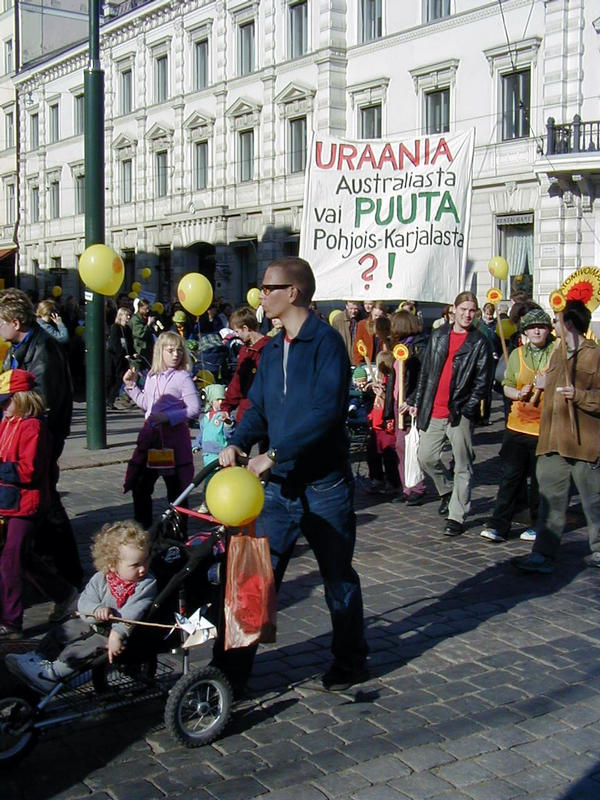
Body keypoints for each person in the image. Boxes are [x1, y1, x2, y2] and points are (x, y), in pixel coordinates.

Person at [217, 256, 368, 693]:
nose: (261, 295)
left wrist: (275, 455)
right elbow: (259, 407)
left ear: (294, 293)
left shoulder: (326, 344)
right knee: (252, 578)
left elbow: (325, 415)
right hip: (280, 492)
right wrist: (240, 441)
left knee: (338, 577)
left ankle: (351, 659)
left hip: (324, 487)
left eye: (268, 288)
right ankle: (229, 674)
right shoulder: (275, 345)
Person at [5, 521, 157, 691]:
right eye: (135, 565)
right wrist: (94, 610)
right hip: (93, 622)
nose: (142, 569)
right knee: (64, 630)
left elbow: (133, 611)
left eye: (145, 561)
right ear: (112, 564)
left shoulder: (146, 584)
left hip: (114, 632)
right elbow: (85, 599)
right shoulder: (102, 578)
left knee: (83, 649)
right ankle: (38, 657)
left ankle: (53, 674)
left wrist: (117, 634)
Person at [0, 289, 82, 595]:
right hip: (25, 435)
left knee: (44, 506)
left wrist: (24, 439)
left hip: (36, 441)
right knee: (39, 509)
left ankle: (66, 576)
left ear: (15, 321)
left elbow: (41, 405)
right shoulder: (20, 347)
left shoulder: (43, 350)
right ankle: (43, 569)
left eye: (1, 322)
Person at [513, 300, 600, 574]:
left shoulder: (594, 355)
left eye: (557, 320)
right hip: (551, 442)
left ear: (569, 324)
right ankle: (543, 554)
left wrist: (581, 396)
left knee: (594, 503)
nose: (553, 325)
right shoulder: (556, 353)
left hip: (584, 444)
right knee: (550, 502)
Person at [403, 291, 493, 536]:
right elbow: (426, 373)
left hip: (459, 413)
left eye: (472, 310)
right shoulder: (439, 335)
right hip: (434, 409)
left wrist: (467, 408)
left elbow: (482, 382)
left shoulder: (479, 342)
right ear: (453, 310)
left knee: (463, 464)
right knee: (426, 457)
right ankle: (447, 491)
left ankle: (457, 515)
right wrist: (416, 400)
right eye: (463, 309)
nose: (467, 314)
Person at [0, 370, 76, 639]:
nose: (2, 406)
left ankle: (11, 622)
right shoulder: (7, 423)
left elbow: (29, 471)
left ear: (22, 399)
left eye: (6, 400)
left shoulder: (34, 427)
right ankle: (65, 594)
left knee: (12, 559)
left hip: (27, 505)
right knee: (23, 558)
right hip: (8, 503)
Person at [480, 309, 554, 543]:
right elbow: (507, 385)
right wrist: (517, 393)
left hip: (544, 428)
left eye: (541, 326)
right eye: (532, 327)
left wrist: (548, 383)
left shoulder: (556, 353)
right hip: (517, 426)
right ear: (525, 332)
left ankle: (537, 524)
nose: (536, 331)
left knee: (539, 481)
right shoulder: (517, 355)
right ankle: (499, 525)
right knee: (510, 478)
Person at [123, 331, 201, 529]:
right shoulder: (151, 376)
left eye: (178, 350)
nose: (175, 354)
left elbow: (194, 409)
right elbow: (148, 405)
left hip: (174, 443)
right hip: (152, 442)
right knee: (140, 486)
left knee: (177, 491)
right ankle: (144, 530)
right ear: (160, 351)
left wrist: (168, 418)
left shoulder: (182, 377)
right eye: (170, 350)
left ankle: (177, 534)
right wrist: (131, 387)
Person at [385, 310, 427, 505]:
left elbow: (420, 378)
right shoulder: (400, 347)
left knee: (410, 445)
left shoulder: (418, 348)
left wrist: (411, 400)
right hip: (397, 402)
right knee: (400, 446)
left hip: (408, 405)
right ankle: (406, 487)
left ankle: (416, 486)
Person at [222, 306, 269, 424]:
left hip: (264, 411)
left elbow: (238, 381)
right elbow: (237, 382)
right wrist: (227, 406)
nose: (237, 335)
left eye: (237, 331)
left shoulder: (269, 347)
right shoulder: (245, 350)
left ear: (245, 328)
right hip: (246, 412)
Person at [192, 384, 233, 466]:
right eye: (217, 399)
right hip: (207, 454)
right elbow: (202, 434)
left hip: (221, 454)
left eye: (222, 399)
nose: (220, 402)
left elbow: (229, 434)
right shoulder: (205, 418)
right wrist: (196, 445)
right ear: (211, 401)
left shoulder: (224, 415)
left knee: (221, 476)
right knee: (209, 476)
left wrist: (228, 424)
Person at [106, 306, 134, 409]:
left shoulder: (127, 329)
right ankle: (107, 399)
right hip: (114, 357)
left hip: (124, 358)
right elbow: (115, 344)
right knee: (111, 379)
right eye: (127, 315)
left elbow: (130, 343)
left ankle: (111, 400)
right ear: (121, 316)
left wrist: (132, 353)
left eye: (129, 316)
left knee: (119, 379)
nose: (128, 318)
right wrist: (122, 353)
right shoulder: (115, 327)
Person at [352, 300, 388, 366]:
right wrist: (359, 365)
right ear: (371, 313)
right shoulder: (362, 325)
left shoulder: (388, 326)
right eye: (375, 315)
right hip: (367, 364)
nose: (377, 319)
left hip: (383, 364)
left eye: (380, 317)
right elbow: (357, 347)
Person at [129, 298, 155, 372]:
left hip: (147, 350)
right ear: (140, 308)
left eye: (148, 308)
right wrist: (148, 324)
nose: (147, 311)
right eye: (145, 309)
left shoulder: (145, 318)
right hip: (139, 350)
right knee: (138, 370)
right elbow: (140, 334)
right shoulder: (135, 319)